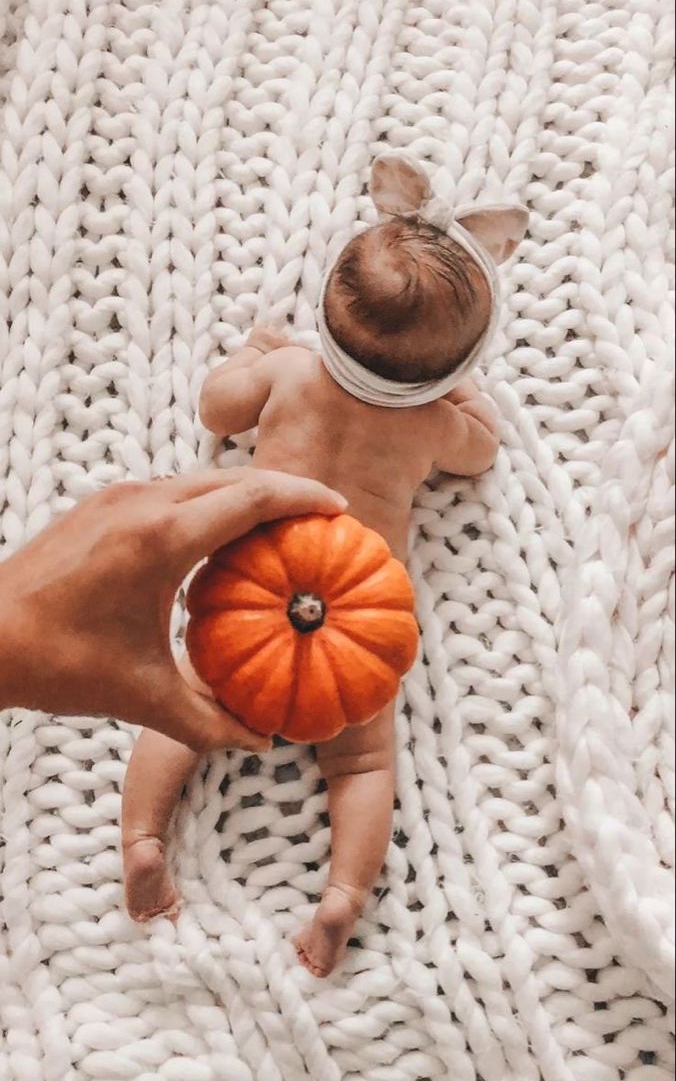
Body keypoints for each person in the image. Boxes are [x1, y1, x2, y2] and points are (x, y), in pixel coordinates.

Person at [120, 152, 528, 977]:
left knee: (190, 699)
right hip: (357, 605)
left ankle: (142, 840)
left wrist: (252, 355)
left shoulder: (292, 373)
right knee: (364, 758)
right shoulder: (429, 427)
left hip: (255, 582)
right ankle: (340, 895)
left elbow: (215, 408)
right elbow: (481, 455)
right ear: (453, 368)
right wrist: (468, 405)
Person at [0, 466, 347, 752]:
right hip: (253, 630)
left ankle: (141, 833)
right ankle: (141, 832)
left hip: (277, 628)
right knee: (363, 760)